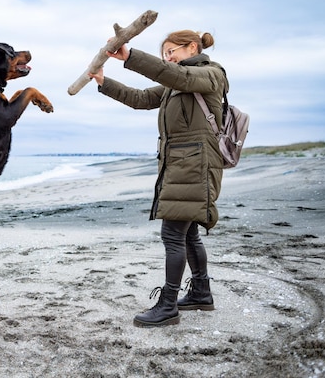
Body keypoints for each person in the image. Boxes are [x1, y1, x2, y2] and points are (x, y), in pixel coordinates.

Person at [88, 30, 227, 327]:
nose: (167, 58)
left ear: (192, 47)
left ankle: (168, 306)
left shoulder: (211, 75)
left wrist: (130, 56)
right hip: (178, 163)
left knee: (173, 234)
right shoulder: (172, 86)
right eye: (164, 54)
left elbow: (179, 77)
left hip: (196, 164)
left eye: (171, 52)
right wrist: (103, 81)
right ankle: (201, 293)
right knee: (187, 233)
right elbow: (139, 98)